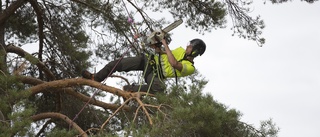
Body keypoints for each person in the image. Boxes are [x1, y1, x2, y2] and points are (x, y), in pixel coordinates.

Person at [82, 38, 206, 94]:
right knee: (118, 63)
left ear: (195, 51)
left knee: (160, 89)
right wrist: (158, 47)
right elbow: (164, 53)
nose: (186, 47)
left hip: (155, 73)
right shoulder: (180, 50)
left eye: (190, 47)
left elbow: (174, 63)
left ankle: (130, 89)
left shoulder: (190, 68)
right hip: (148, 60)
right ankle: (96, 77)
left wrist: (165, 44)